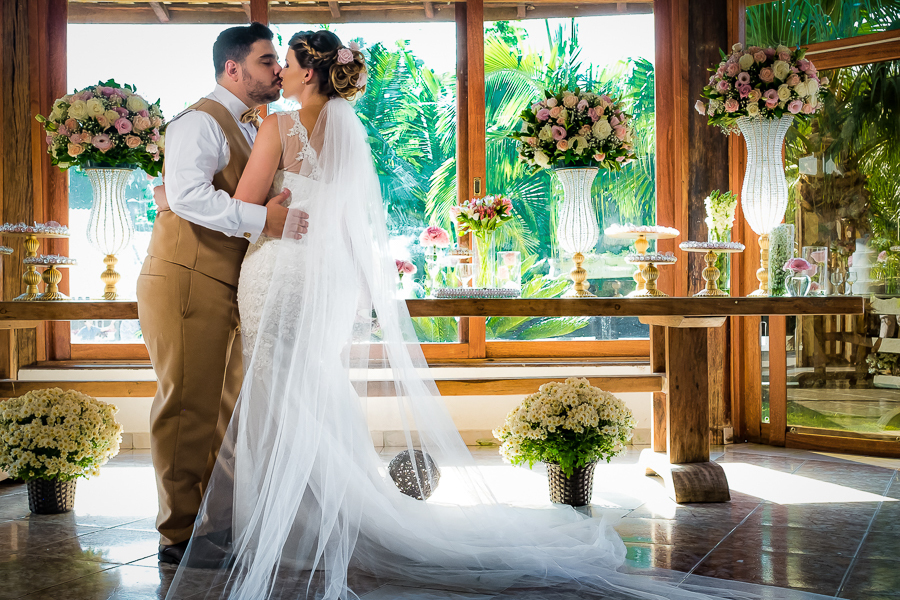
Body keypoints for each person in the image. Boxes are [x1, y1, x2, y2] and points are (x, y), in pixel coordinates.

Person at [165, 30, 773, 600]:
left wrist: (232, 203)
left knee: (273, 393)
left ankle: (285, 526)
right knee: (314, 391)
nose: (281, 71)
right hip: (326, 283)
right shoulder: (348, 131)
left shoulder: (278, 126)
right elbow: (352, 226)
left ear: (309, 74)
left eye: (287, 62)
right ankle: (318, 518)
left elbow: (246, 207)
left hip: (276, 270)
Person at [136, 22, 309, 566]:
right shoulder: (198, 121)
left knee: (223, 410)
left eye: (277, 62)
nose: (277, 71)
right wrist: (267, 220)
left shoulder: (251, 124)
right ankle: (179, 535)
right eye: (266, 61)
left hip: (228, 281)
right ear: (232, 68)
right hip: (186, 276)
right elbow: (186, 196)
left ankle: (213, 522)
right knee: (188, 405)